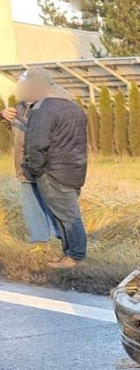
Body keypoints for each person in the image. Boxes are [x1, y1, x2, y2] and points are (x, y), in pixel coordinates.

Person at [1, 68, 89, 268]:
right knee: (67, 213)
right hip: (73, 170)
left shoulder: (43, 109)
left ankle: (75, 257)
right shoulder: (72, 106)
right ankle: (69, 255)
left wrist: (36, 169)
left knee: (68, 216)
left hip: (52, 172)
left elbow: (37, 144)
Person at [4, 83, 59, 245]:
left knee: (53, 202)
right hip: (23, 166)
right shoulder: (19, 107)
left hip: (46, 166)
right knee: (32, 205)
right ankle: (40, 240)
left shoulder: (50, 107)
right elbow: (11, 128)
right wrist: (3, 114)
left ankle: (60, 236)